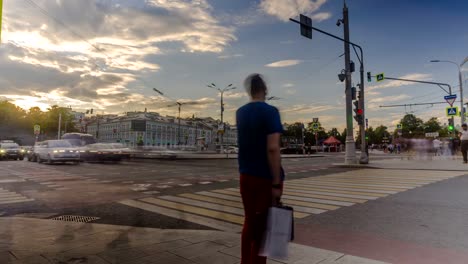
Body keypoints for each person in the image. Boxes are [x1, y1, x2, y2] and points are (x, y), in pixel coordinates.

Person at [236, 74, 284, 264]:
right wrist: (276, 182)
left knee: (249, 222)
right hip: (264, 177)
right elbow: (273, 148)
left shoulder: (240, 112)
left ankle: (245, 261)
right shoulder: (270, 111)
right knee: (263, 227)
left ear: (249, 91)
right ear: (265, 90)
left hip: (245, 175)